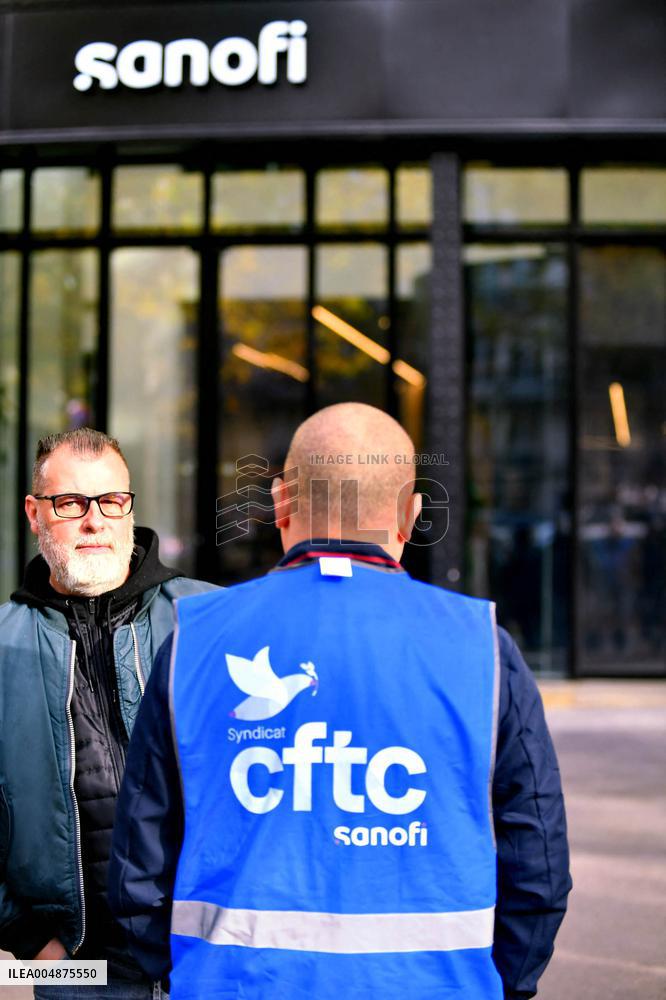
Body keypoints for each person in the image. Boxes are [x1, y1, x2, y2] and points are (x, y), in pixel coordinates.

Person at [109, 403, 571, 1000]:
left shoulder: (195, 641)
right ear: (411, 515)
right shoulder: (483, 647)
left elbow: (138, 870)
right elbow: (538, 867)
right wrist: (506, 984)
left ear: (280, 502)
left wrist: (179, 973)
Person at [0, 428, 215, 998]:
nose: (94, 521)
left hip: (206, 957)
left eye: (111, 501)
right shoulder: (1, 646)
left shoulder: (211, 619)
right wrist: (30, 943)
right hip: (72, 967)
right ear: (34, 514)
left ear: (128, 509)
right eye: (71, 503)